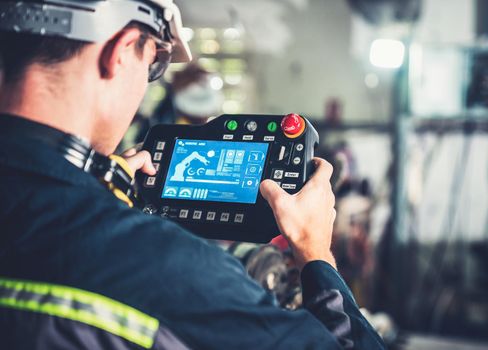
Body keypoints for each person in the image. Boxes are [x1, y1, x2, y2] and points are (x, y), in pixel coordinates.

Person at [0, 0, 385, 349]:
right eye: (153, 64)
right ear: (119, 51)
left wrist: (94, 188)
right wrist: (314, 252)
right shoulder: (177, 274)